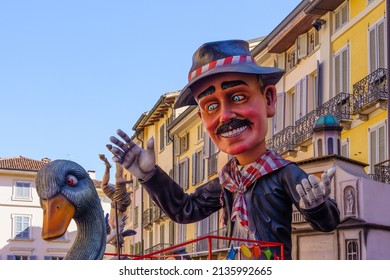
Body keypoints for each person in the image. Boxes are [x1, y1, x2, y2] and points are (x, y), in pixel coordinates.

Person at [107, 39, 340, 259]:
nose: (225, 115)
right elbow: (185, 209)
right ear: (201, 117)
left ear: (268, 100)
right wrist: (150, 177)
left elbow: (328, 223)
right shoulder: (227, 181)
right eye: (211, 106)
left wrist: (317, 207)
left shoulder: (284, 173)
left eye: (238, 97)